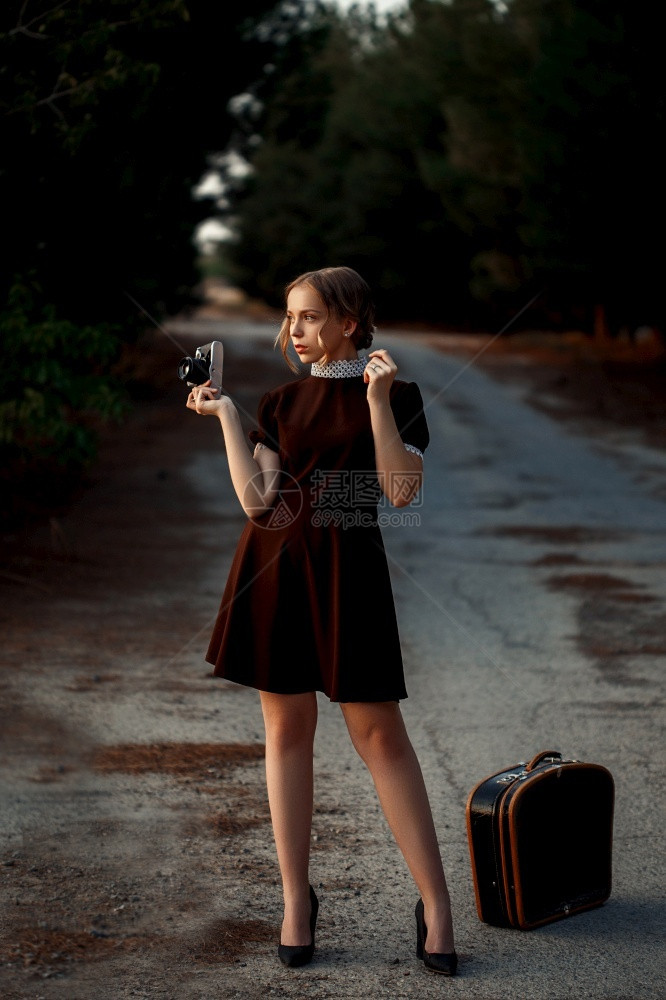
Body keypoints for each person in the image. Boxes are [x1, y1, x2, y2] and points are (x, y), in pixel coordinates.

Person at [186, 266, 457, 976]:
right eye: (291, 318)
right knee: (286, 731)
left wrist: (373, 400)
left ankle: (437, 906)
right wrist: (228, 420)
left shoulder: (398, 395)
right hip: (273, 568)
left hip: (349, 577)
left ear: (350, 322)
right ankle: (296, 900)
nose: (295, 332)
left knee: (379, 735)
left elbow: (399, 492)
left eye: (309, 318)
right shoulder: (277, 402)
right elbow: (258, 501)